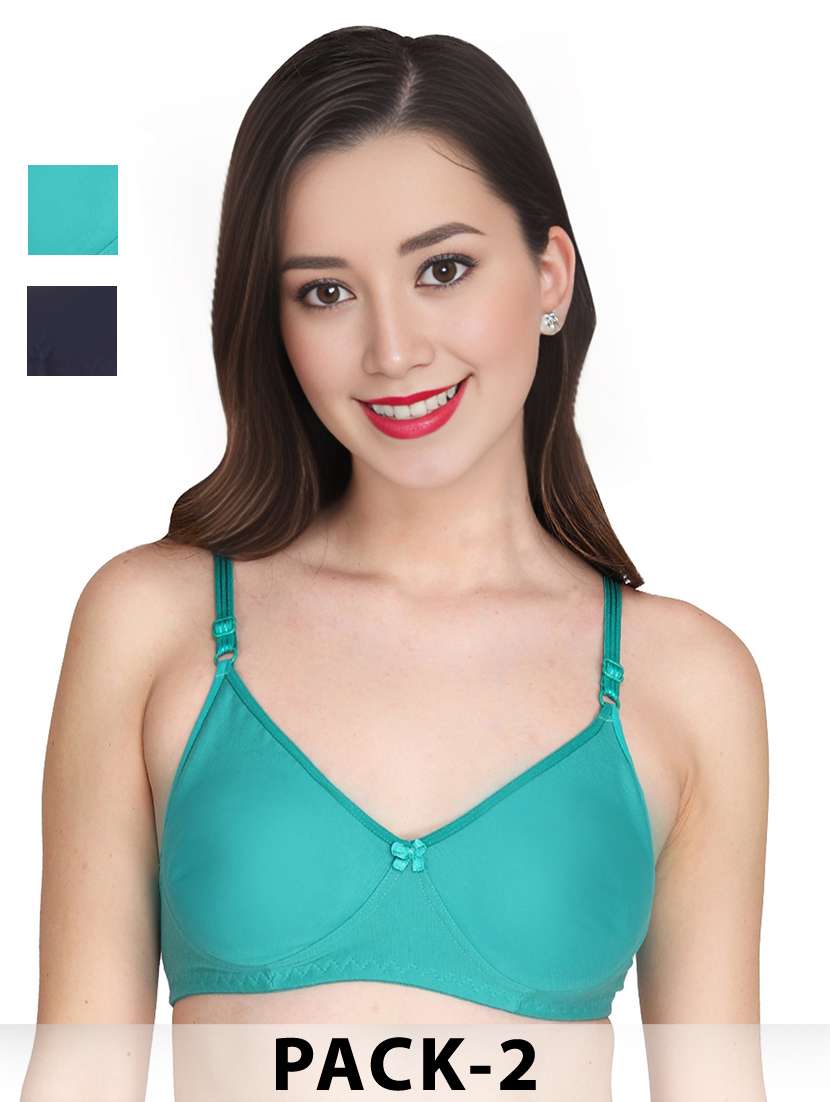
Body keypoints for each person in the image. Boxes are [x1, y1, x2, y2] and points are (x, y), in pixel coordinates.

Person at [25, 25, 768, 1101]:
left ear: (550, 275)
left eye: (443, 269)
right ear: (273, 321)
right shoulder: (152, 623)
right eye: (325, 292)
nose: (392, 350)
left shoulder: (687, 682)